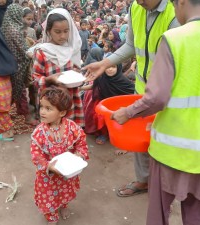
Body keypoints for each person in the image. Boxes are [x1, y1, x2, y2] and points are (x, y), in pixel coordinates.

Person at [111, 0, 200, 223]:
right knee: (196, 216)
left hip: (171, 149)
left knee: (159, 213)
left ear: (181, 2)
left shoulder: (173, 39)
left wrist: (127, 113)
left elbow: (157, 98)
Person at [84, 0, 177, 197]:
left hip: (168, 91)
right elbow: (131, 45)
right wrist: (105, 62)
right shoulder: (136, 7)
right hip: (143, 86)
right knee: (141, 136)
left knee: (165, 139)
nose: (139, 1)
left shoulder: (175, 11)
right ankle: (144, 181)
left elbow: (177, 59)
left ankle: (165, 187)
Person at [31, 86, 88, 225]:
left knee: (65, 193)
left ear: (62, 112)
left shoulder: (73, 128)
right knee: (48, 197)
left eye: (48, 108)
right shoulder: (39, 133)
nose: (42, 112)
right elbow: (36, 155)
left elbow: (81, 143)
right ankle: (51, 217)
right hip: (48, 176)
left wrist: (79, 156)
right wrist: (48, 166)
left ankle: (63, 206)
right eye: (42, 107)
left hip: (67, 173)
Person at [31, 8, 84, 127]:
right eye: (57, 31)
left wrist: (77, 75)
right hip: (50, 101)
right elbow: (35, 78)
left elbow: (77, 71)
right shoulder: (43, 51)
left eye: (66, 31)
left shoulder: (73, 49)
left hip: (69, 98)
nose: (63, 36)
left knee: (68, 130)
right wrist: (49, 79)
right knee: (52, 133)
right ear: (49, 31)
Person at [82, 49, 134, 146]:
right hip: (104, 102)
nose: (110, 69)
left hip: (117, 107)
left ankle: (116, 134)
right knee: (100, 116)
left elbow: (133, 93)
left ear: (118, 68)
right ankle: (104, 134)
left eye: (113, 67)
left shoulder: (123, 81)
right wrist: (80, 88)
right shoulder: (101, 77)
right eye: (107, 67)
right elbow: (94, 86)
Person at [1, 4, 36, 125]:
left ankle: (4, 112)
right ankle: (27, 116)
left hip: (9, 63)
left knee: (13, 90)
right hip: (18, 65)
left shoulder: (6, 26)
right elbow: (24, 50)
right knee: (20, 91)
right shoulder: (15, 30)